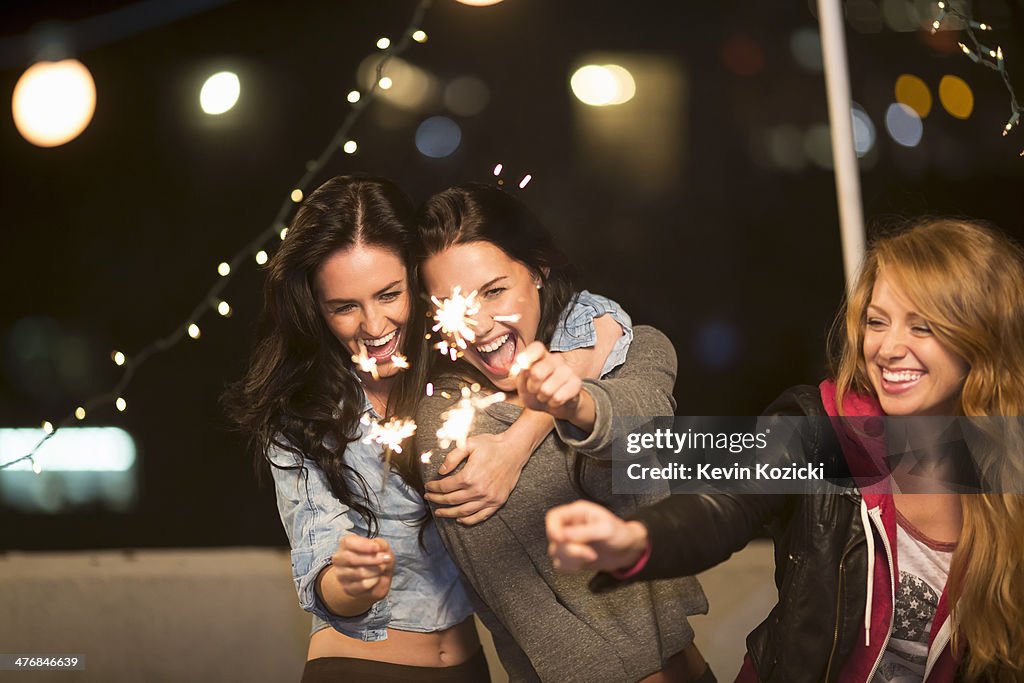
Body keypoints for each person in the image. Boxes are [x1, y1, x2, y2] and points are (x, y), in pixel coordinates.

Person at [546, 218, 1024, 682]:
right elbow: (726, 505)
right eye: (877, 322)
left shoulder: (1011, 467)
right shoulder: (829, 430)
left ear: (982, 339)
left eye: (922, 327)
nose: (888, 347)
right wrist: (635, 539)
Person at [223, 175, 631, 682]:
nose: (373, 327)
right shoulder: (303, 413)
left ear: (418, 284)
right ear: (316, 308)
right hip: (357, 665)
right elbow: (319, 570)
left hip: (471, 665)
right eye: (344, 307)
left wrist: (517, 442)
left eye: (389, 295)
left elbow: (598, 320)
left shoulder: (458, 357)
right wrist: (351, 582)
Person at [410, 184, 712, 683]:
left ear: (538, 270)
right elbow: (525, 609)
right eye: (453, 304)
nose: (480, 324)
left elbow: (642, 425)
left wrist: (547, 419)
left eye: (494, 290)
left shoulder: (633, 350)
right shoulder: (449, 424)